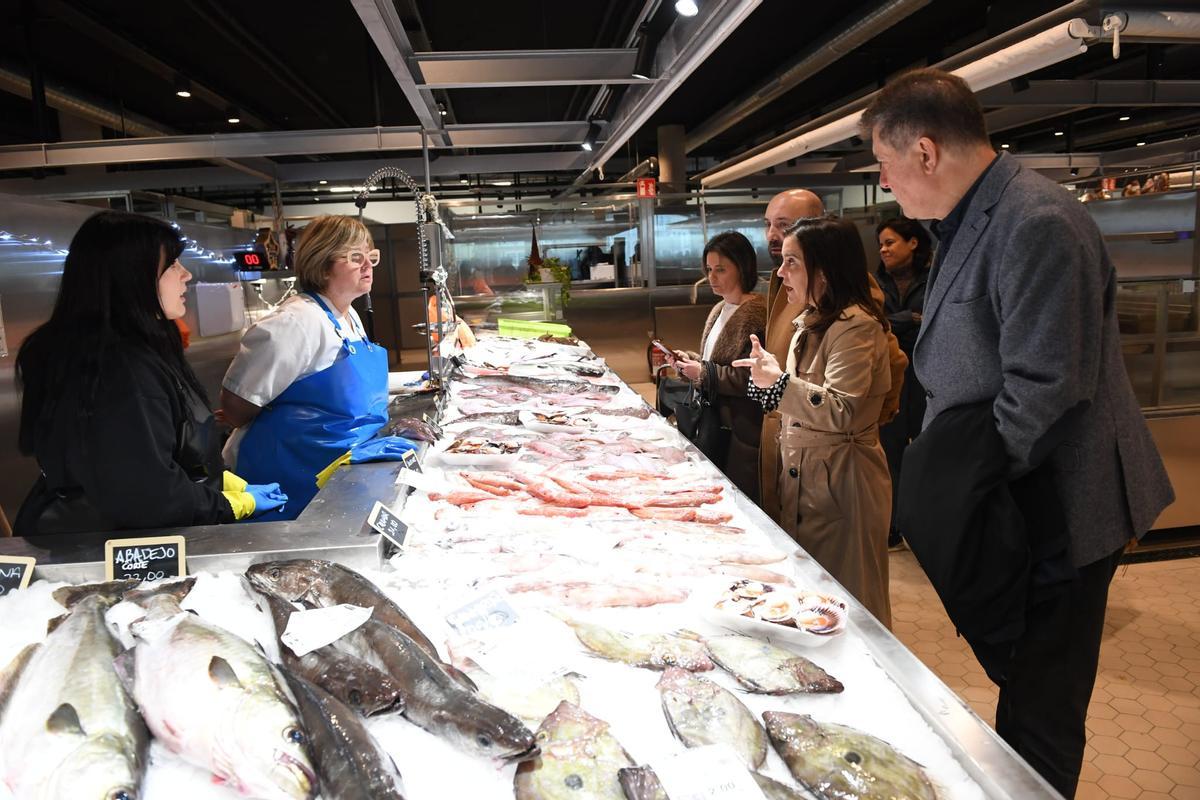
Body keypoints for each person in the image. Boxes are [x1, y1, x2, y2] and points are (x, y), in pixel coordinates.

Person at [862, 67, 1173, 797]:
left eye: (885, 165)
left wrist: (955, 489)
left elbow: (1046, 387)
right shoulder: (973, 218)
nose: (887, 184)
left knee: (1042, 709)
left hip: (1059, 506)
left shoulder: (1037, 220)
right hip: (1019, 494)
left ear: (927, 152)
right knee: (1023, 687)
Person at [14, 211, 285, 536]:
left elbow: (160, 451)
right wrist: (228, 504)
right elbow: (145, 492)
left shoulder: (142, 347)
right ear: (131, 276)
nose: (186, 275)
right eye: (172, 266)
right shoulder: (118, 368)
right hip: (109, 546)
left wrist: (216, 477)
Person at [735, 215, 894, 627]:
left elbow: (844, 410)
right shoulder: (812, 320)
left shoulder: (855, 326)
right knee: (814, 595)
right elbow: (799, 394)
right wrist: (769, 375)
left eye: (792, 263)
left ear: (823, 270)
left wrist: (779, 383)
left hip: (843, 480)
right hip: (807, 475)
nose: (781, 272)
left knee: (851, 602)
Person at [221, 215, 415, 520]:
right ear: (323, 264)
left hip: (336, 473)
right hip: (289, 481)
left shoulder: (349, 316)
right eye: (355, 257)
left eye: (371, 257)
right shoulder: (295, 322)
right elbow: (236, 406)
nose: (367, 266)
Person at [758, 190, 908, 521]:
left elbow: (888, 366)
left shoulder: (850, 309)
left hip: (833, 460)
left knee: (837, 566)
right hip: (796, 445)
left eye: (784, 224)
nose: (772, 234)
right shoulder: (796, 291)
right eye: (768, 224)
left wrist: (858, 429)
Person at [672, 231, 767, 499]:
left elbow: (752, 378)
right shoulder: (719, 308)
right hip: (712, 421)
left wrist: (702, 372)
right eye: (709, 269)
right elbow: (712, 362)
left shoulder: (757, 314)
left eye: (721, 270)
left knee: (738, 499)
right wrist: (688, 362)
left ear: (743, 267)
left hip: (740, 431)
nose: (711, 277)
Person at [874, 217, 933, 547]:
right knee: (890, 453)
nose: (883, 249)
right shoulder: (876, 283)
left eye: (890, 242)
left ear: (913, 243)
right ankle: (893, 525)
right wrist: (910, 319)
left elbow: (938, 323)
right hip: (892, 376)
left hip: (928, 376)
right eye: (880, 244)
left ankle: (927, 527)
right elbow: (874, 324)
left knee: (928, 453)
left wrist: (898, 324)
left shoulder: (934, 277)